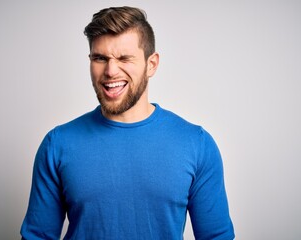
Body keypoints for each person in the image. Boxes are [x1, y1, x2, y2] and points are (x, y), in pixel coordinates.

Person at [20, 6, 234, 240]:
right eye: (100, 58)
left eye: (124, 58)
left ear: (151, 64)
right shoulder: (58, 144)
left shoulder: (196, 144)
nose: (111, 71)